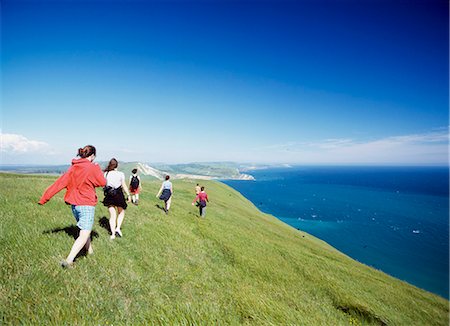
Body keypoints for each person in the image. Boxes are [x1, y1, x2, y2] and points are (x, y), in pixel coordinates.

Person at [38, 145, 106, 268]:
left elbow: (59, 183)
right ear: (92, 156)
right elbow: (102, 182)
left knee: (85, 229)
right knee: (84, 233)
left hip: (75, 206)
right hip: (86, 204)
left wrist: (44, 198)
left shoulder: (73, 167)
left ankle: (90, 252)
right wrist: (97, 168)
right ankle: (69, 260)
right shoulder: (92, 167)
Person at [103, 158, 131, 239]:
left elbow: (104, 185)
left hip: (109, 195)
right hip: (119, 195)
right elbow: (124, 185)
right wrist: (128, 195)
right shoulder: (121, 174)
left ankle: (112, 234)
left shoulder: (106, 174)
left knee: (112, 215)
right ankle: (118, 228)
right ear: (117, 165)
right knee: (121, 212)